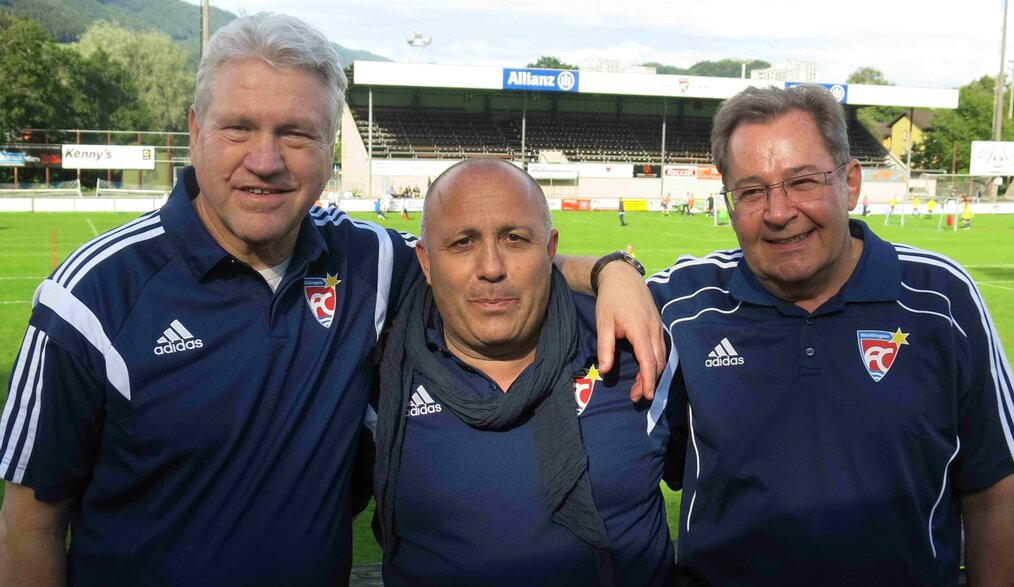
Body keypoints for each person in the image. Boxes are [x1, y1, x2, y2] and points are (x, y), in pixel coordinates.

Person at [0, 13, 665, 586]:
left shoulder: (366, 260)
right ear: (196, 129)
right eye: (239, 128)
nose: (266, 160)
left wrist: (610, 270)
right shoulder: (92, 293)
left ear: (327, 148)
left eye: (296, 133)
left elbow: (486, 260)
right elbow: (29, 519)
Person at [649, 84, 1014, 586]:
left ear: (850, 183)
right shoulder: (683, 304)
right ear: (729, 202)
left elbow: (994, 488)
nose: (779, 212)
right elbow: (530, 281)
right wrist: (606, 271)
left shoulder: (942, 298)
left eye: (802, 182)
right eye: (752, 191)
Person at [374, 159, 673, 586]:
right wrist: (611, 266)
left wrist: (614, 269)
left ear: (550, 250)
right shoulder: (381, 368)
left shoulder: (636, 347)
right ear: (424, 262)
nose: (491, 267)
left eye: (515, 239)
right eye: (462, 242)